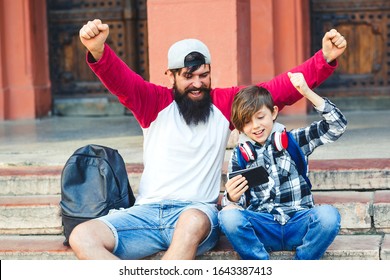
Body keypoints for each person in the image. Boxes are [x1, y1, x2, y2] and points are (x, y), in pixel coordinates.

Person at [69, 18, 347, 260]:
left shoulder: (224, 103)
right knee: (82, 236)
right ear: (171, 75)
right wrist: (98, 50)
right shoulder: (151, 102)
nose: (198, 83)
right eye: (189, 76)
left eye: (204, 75)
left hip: (197, 214)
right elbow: (121, 80)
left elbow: (280, 89)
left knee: (189, 222)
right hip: (146, 213)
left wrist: (324, 59)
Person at [218, 72, 348, 260]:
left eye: (260, 117)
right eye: (247, 122)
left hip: (299, 223)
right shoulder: (240, 155)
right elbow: (233, 208)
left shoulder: (294, 140)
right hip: (264, 227)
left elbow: (338, 126)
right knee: (227, 217)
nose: (255, 126)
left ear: (274, 112)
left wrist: (307, 92)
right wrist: (231, 197)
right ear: (240, 128)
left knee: (329, 216)